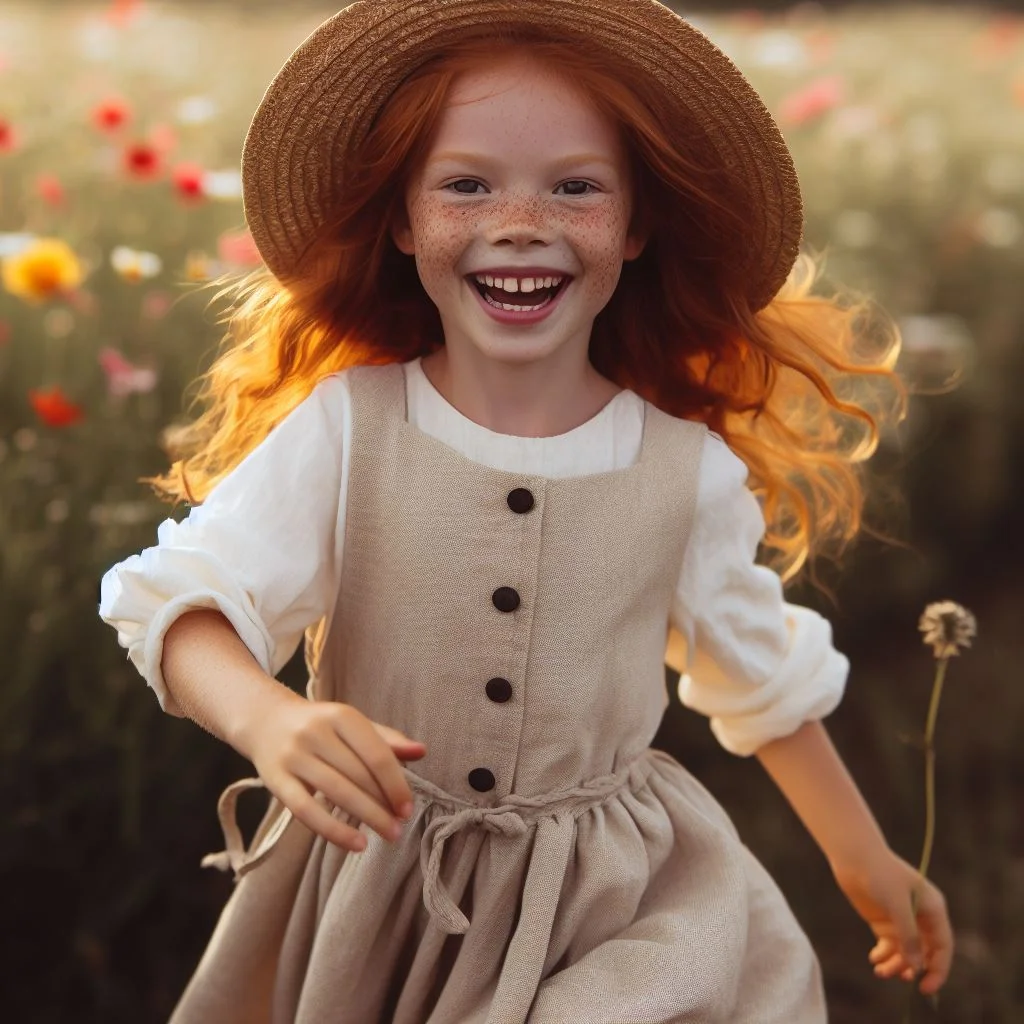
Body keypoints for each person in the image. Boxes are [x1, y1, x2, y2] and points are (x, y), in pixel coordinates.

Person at [98, 1, 954, 1020]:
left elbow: (759, 676)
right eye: (466, 184)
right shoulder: (349, 430)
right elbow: (178, 601)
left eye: (575, 187)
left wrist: (864, 858)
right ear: (403, 219)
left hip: (610, 897)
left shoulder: (685, 471)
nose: (520, 221)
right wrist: (269, 719)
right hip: (380, 894)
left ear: (635, 227)